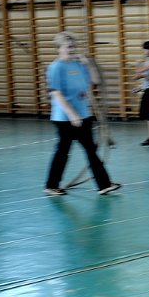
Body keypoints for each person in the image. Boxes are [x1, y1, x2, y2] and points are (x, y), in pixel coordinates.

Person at [44, 32, 121, 197]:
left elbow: (95, 80)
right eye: (68, 47)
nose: (71, 50)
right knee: (63, 151)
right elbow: (56, 93)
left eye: (73, 46)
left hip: (83, 115)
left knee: (90, 150)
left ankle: (104, 184)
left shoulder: (78, 65)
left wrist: (89, 64)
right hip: (64, 118)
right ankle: (51, 185)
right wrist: (72, 114)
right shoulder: (56, 67)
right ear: (59, 48)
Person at [134, 40, 149, 146]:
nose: (144, 51)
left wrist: (138, 65)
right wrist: (141, 88)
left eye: (145, 49)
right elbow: (140, 76)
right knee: (148, 115)